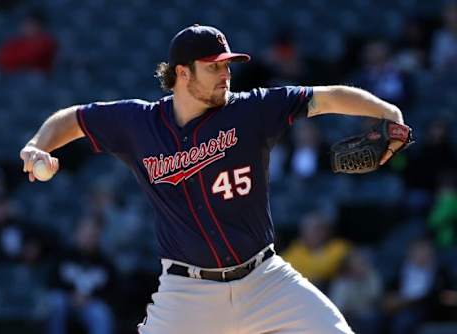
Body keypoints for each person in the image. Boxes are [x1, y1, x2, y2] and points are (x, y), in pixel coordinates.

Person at [20, 24, 407, 334]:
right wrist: (39, 145)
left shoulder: (251, 109)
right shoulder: (137, 122)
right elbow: (72, 118)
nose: (225, 75)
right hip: (187, 293)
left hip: (265, 280)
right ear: (182, 74)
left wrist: (385, 109)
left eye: (227, 65)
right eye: (214, 67)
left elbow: (327, 97)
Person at [46, 217, 116, 334]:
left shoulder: (105, 262)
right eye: (86, 233)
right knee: (55, 302)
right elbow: (51, 282)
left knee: (101, 313)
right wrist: (71, 294)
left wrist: (90, 297)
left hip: (91, 304)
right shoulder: (63, 256)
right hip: (66, 300)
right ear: (77, 233)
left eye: (93, 235)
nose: (89, 238)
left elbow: (113, 291)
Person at [281, 210, 352, 291]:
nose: (319, 233)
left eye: (322, 228)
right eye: (315, 229)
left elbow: (325, 268)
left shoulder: (339, 246)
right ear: (303, 232)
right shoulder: (293, 252)